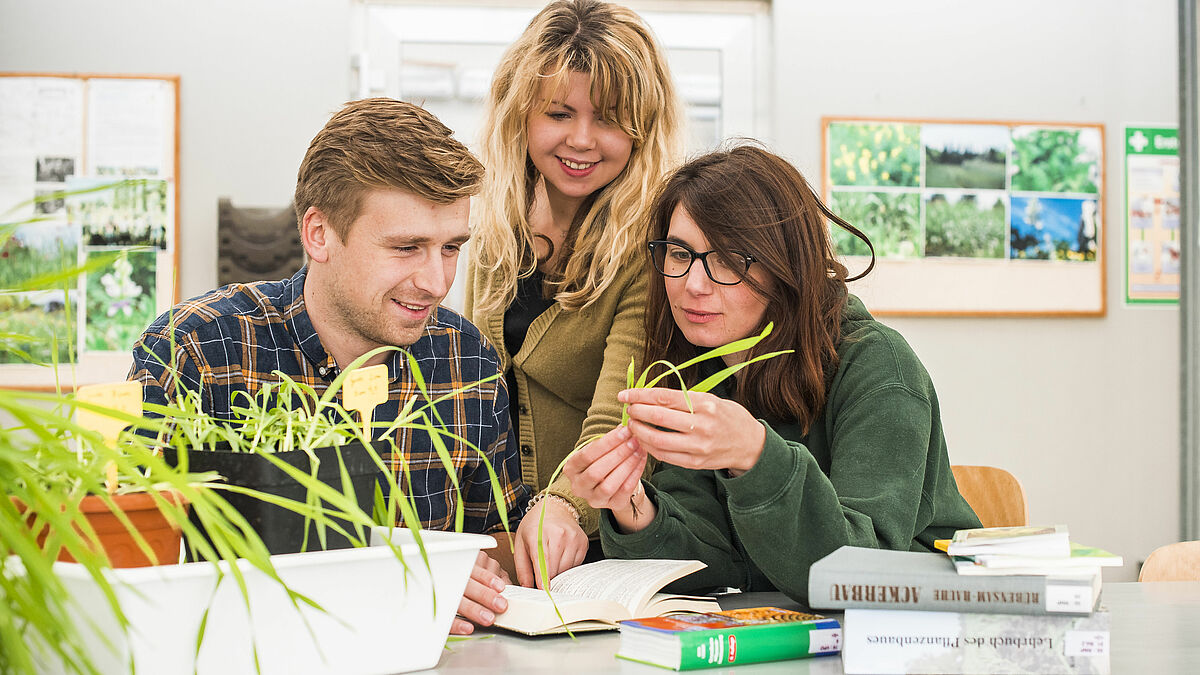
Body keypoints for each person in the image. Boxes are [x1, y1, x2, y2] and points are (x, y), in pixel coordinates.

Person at [129, 98, 528, 635]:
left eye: (451, 247)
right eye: (406, 247)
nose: (436, 282)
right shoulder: (196, 350)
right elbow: (130, 560)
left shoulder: (467, 359)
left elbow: (495, 540)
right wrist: (385, 580)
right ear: (318, 233)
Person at [562, 144, 983, 602]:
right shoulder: (701, 366)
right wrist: (629, 504)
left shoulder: (879, 367)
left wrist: (755, 454)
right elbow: (718, 560)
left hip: (914, 635)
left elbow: (858, 573)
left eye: (729, 259)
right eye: (679, 253)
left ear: (786, 265)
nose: (693, 284)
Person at [466, 0, 683, 590]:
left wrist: (564, 504)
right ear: (521, 114)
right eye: (559, 113)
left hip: (596, 549)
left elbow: (623, 415)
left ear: (643, 125)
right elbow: (470, 394)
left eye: (609, 119)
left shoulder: (657, 248)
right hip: (501, 542)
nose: (582, 140)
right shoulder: (493, 235)